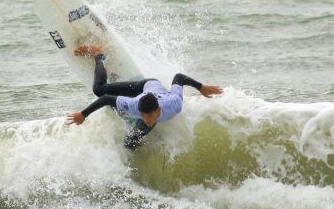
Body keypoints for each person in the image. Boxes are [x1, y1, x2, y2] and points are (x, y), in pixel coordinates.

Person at [66, 44, 223, 149]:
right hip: (141, 87)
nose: (147, 120)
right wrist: (83, 114)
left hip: (154, 87)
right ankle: (99, 54)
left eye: (150, 117)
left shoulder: (173, 104)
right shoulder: (134, 105)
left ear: (159, 111)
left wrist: (201, 88)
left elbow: (179, 77)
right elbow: (105, 98)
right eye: (144, 116)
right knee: (99, 89)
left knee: (129, 144)